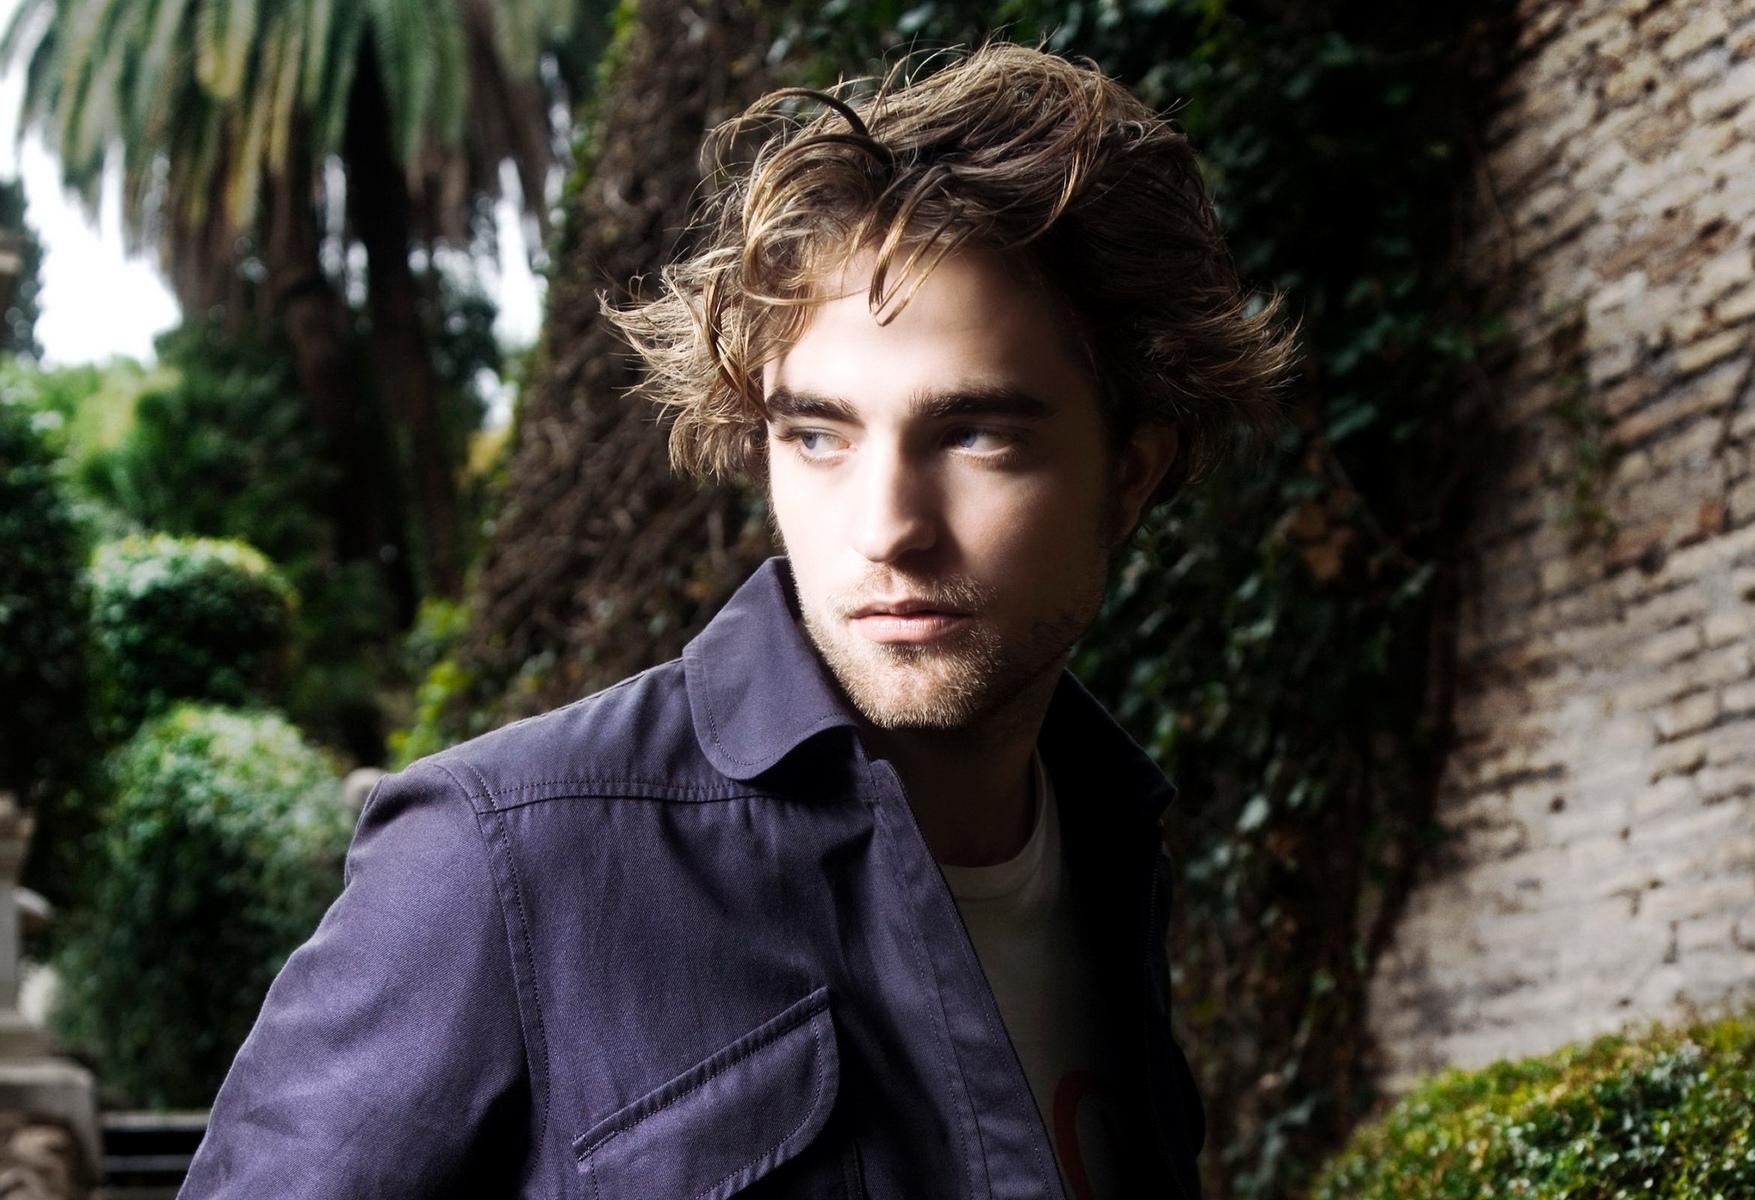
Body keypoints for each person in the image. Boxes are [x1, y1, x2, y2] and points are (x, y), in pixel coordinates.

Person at [179, 38, 1295, 1200]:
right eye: (817, 434)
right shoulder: (501, 859)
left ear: (1132, 474)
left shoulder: (1107, 846)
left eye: (975, 436)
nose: (887, 529)